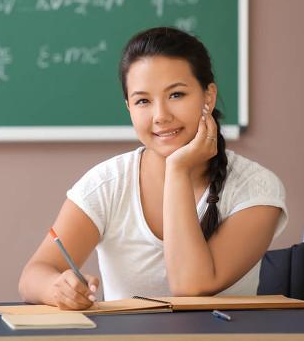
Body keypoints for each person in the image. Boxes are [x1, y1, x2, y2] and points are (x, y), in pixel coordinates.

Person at [18, 27, 288, 310]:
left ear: (208, 97)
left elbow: (189, 286)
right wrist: (56, 288)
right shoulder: (108, 183)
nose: (160, 116)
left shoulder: (257, 187)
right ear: (129, 108)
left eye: (176, 95)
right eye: (143, 101)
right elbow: (33, 275)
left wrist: (178, 170)